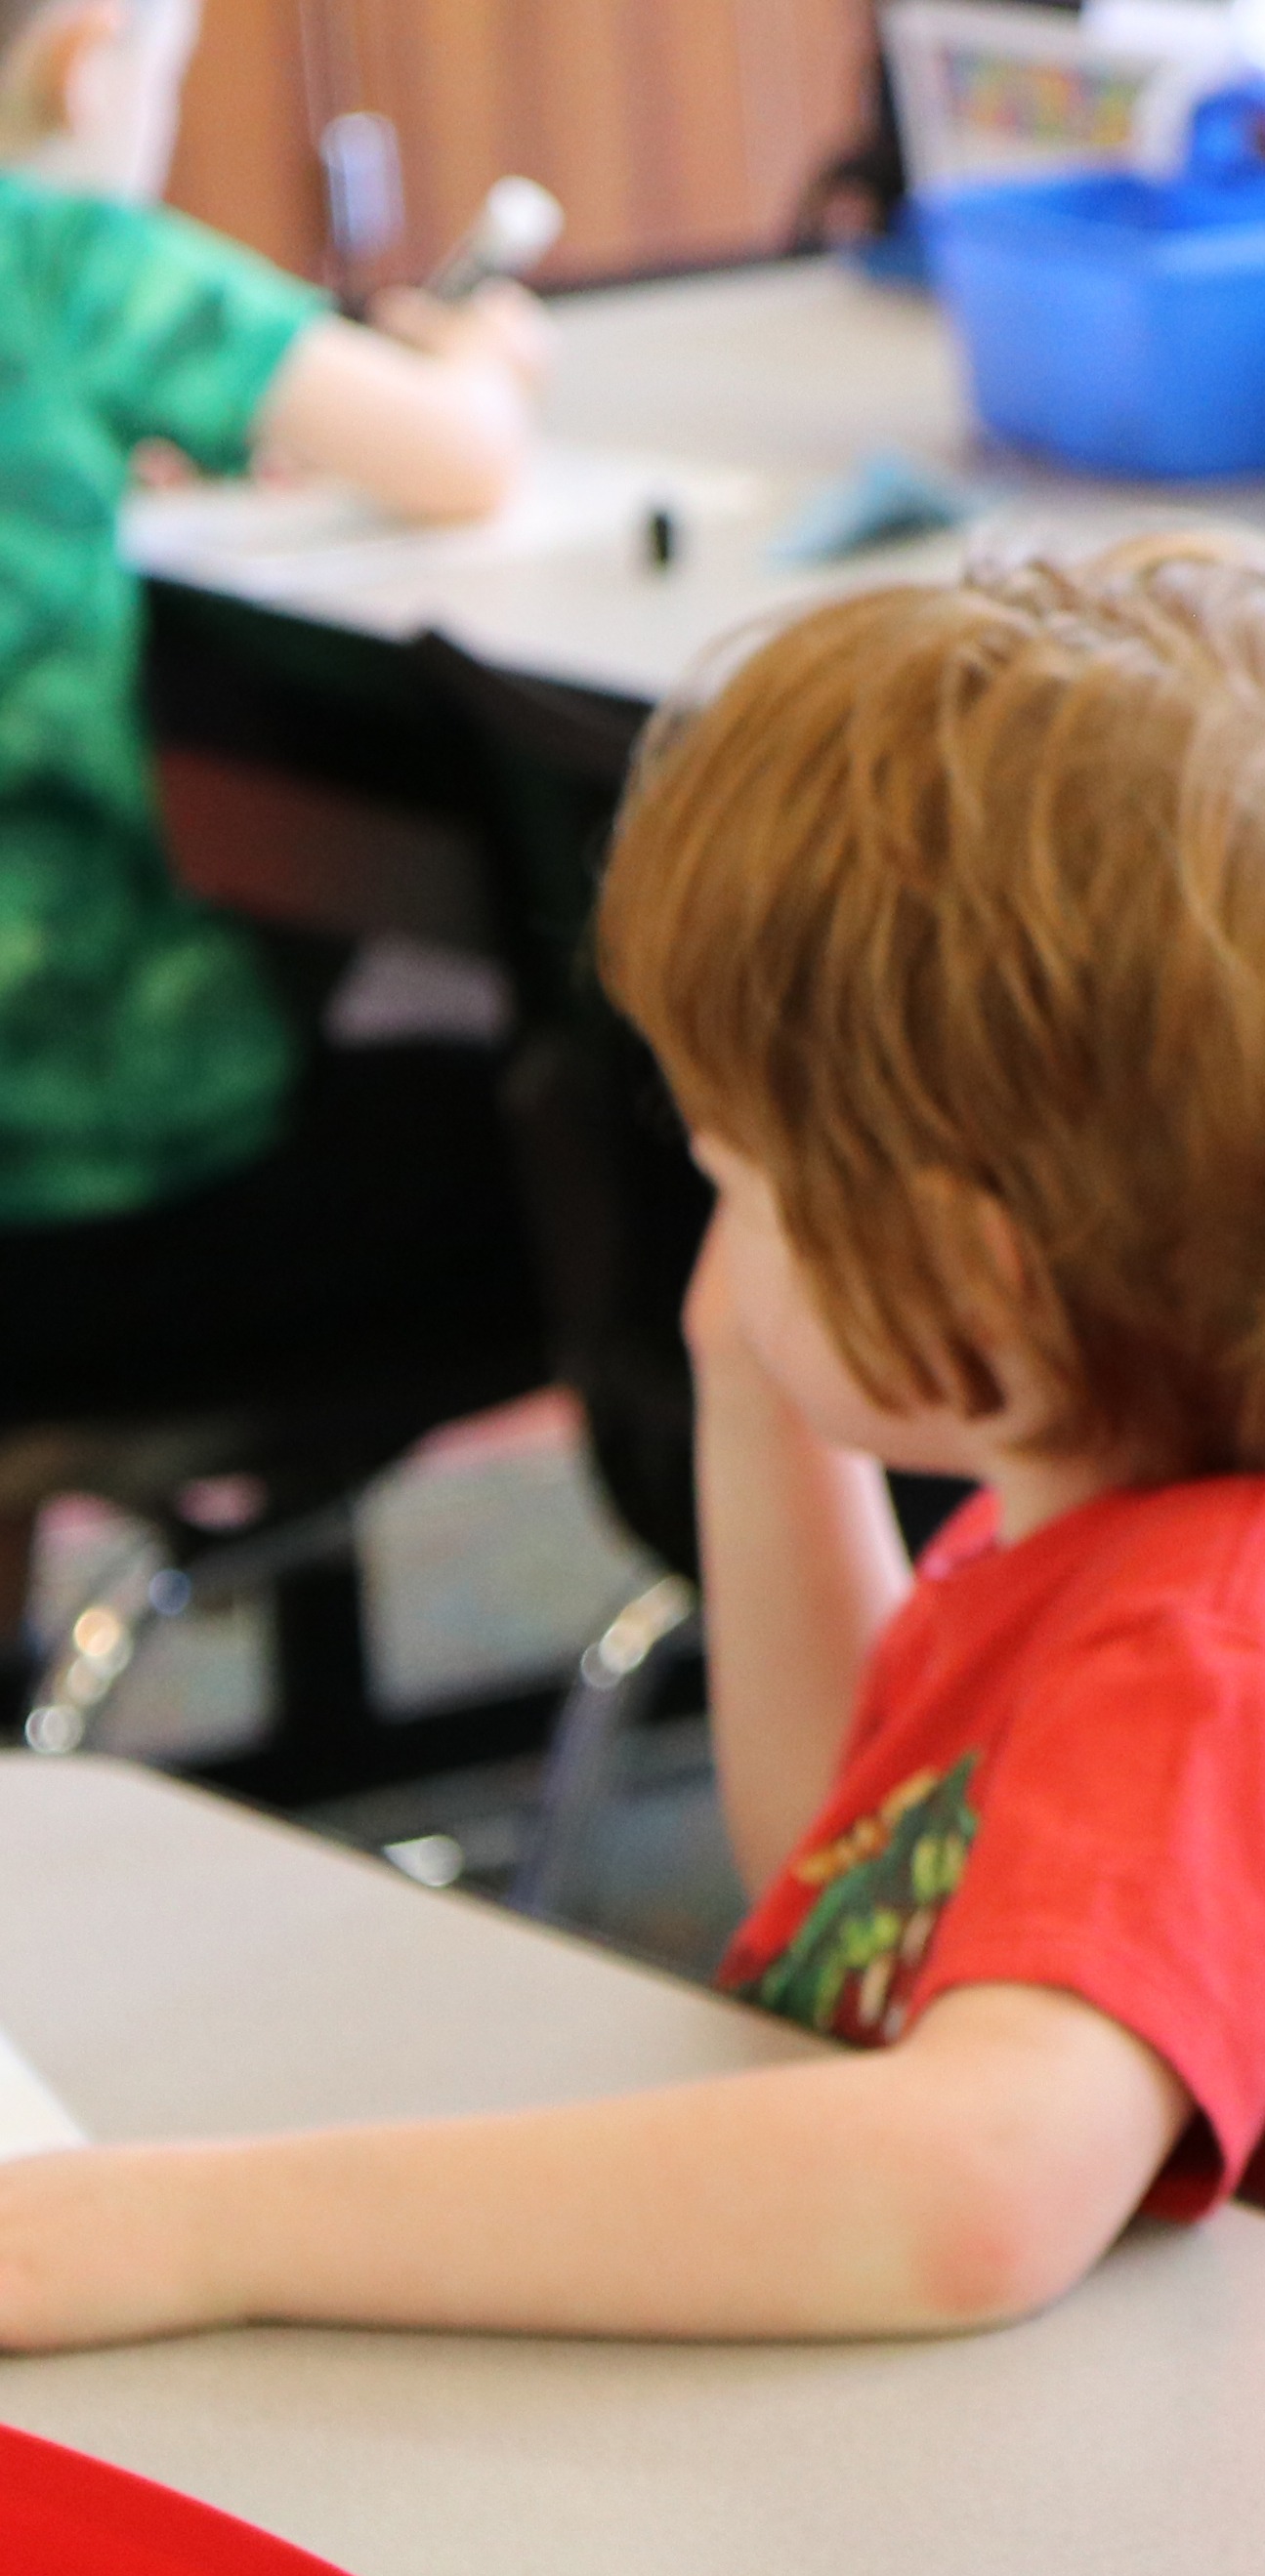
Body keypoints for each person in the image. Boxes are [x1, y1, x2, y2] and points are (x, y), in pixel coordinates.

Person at [0, 539, 1265, 2344]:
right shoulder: (1133, 1505)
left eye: (736, 1178)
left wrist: (201, 2234)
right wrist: (759, 1388)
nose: (709, 1226)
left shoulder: (1222, 1643)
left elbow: (969, 2187)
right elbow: (858, 1874)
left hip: (1216, 2544)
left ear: (971, 1270)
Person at [0, 0, 556, 1518]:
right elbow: (459, 457)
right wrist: (484, 357)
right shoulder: (62, 259)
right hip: (106, 1198)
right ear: (89, 60)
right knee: (619, 1164)